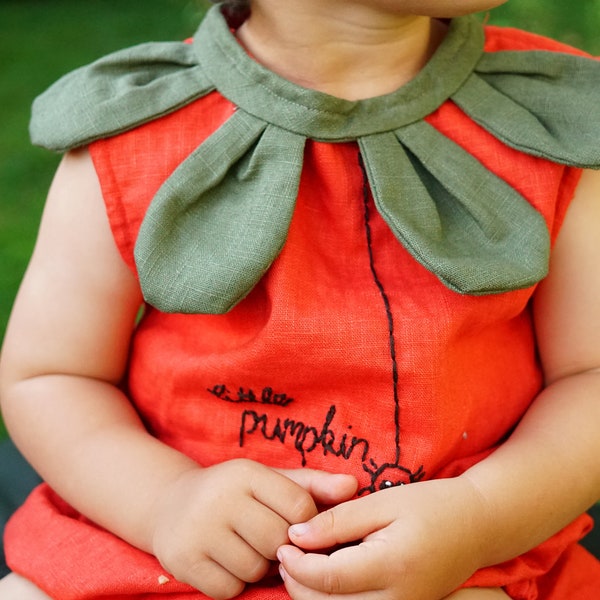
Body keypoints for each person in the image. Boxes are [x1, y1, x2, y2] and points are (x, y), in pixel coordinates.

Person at [0, 0, 599, 598]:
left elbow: (590, 375)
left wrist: (482, 515)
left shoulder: (549, 114)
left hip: (459, 560)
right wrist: (163, 499)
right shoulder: (135, 122)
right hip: (160, 546)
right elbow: (51, 375)